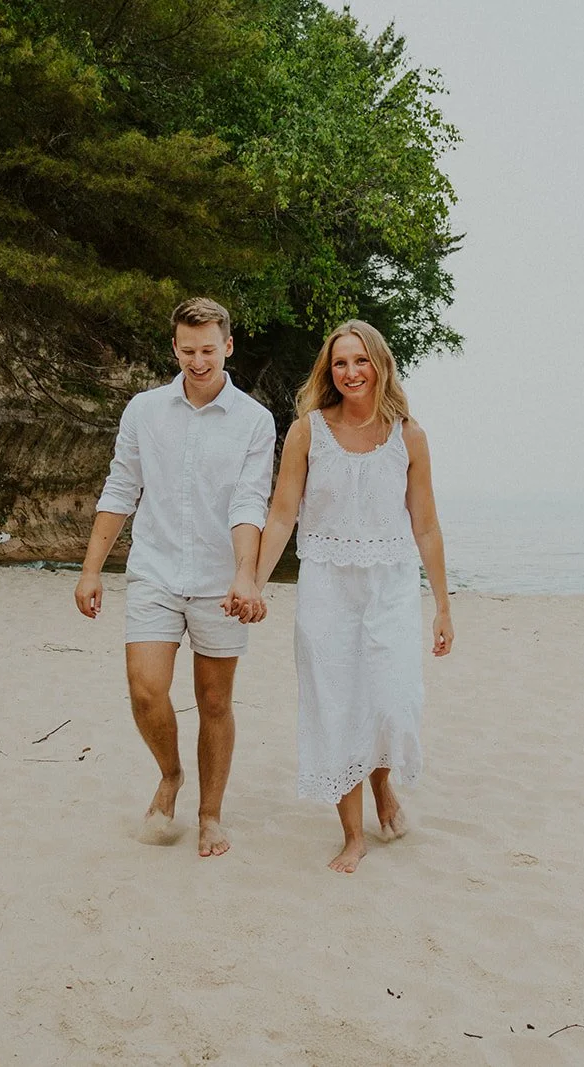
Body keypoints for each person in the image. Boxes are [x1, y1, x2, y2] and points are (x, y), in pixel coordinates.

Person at [233, 319, 453, 874]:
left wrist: (444, 607)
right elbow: (282, 513)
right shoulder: (309, 431)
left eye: (360, 361)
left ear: (379, 365)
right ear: (328, 372)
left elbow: (425, 525)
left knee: (389, 701)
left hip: (391, 588)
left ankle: (384, 790)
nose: (350, 372)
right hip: (327, 587)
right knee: (336, 706)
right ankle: (352, 835)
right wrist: (253, 582)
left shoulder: (410, 436)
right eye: (340, 363)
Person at [75, 297, 276, 858]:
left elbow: (249, 503)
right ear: (174, 348)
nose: (198, 361)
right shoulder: (143, 410)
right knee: (145, 689)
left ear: (227, 347)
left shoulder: (255, 422)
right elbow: (121, 489)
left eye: (208, 350)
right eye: (188, 350)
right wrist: (91, 569)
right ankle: (170, 774)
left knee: (214, 702)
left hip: (221, 581)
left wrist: (246, 575)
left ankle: (210, 814)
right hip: (155, 571)